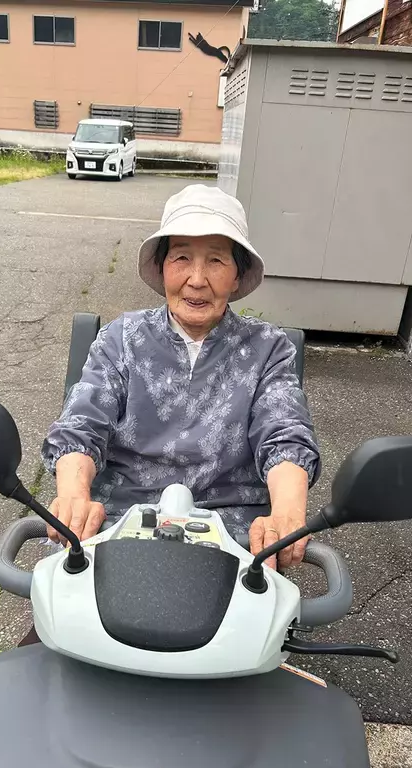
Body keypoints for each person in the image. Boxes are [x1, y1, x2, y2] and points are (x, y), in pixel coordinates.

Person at [42, 184, 320, 569]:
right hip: (119, 523)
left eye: (216, 261)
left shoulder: (267, 349)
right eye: (182, 257)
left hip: (232, 534)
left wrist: (287, 513)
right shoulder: (122, 339)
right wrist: (74, 497)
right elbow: (82, 425)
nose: (197, 279)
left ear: (237, 276)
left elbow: (284, 435)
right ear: (162, 267)